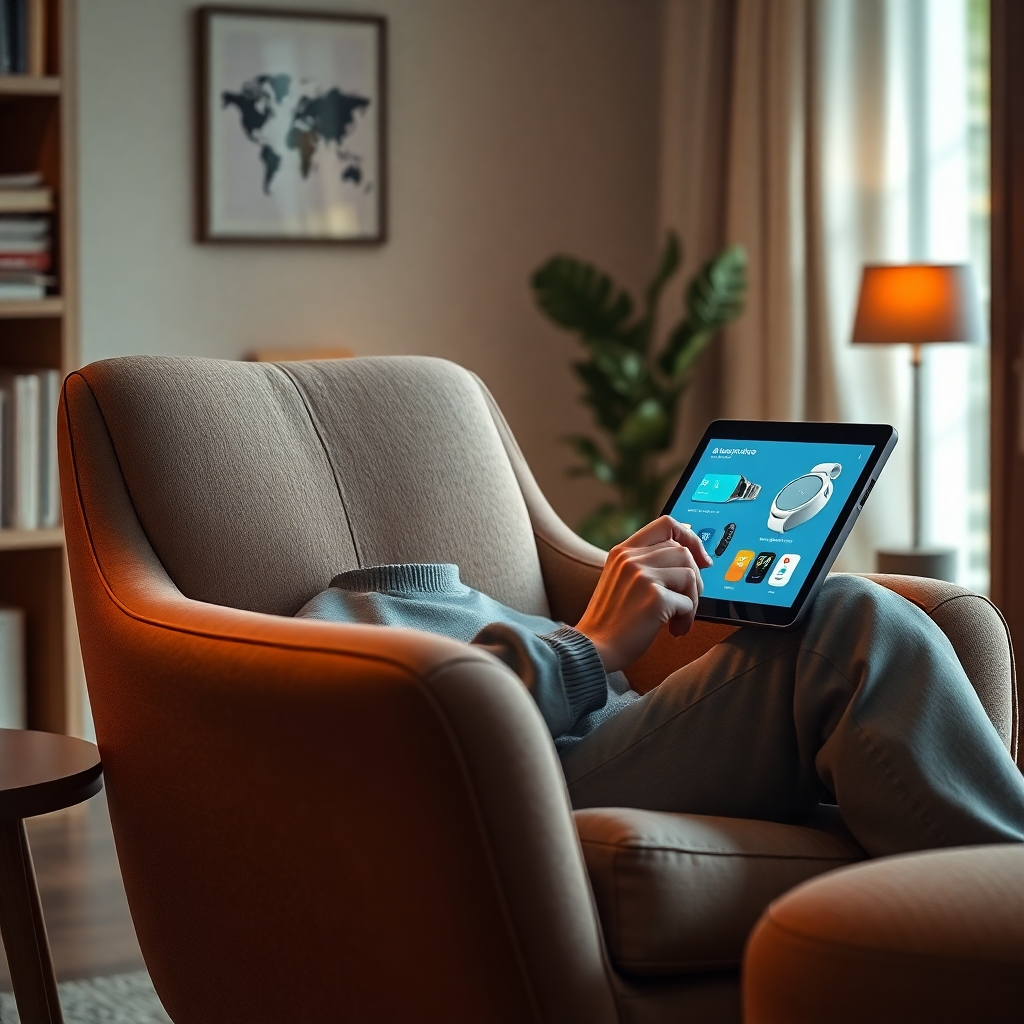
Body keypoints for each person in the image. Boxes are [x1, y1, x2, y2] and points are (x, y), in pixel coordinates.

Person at [297, 516, 1024, 858]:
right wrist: (594, 643)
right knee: (842, 617)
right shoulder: (328, 622)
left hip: (621, 751)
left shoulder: (490, 600)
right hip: (538, 788)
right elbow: (416, 733)